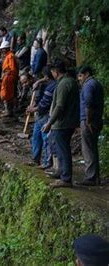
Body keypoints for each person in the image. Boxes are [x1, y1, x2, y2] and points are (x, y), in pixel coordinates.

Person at [42, 60, 80, 188]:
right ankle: (61, 172)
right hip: (68, 121)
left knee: (63, 150)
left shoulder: (64, 84)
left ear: (55, 72)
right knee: (60, 148)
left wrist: (49, 122)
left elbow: (59, 106)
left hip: (62, 122)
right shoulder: (71, 81)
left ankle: (66, 178)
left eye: (52, 71)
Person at [76, 66, 105, 186]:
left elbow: (88, 103)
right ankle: (95, 176)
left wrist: (88, 121)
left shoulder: (88, 85)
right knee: (93, 147)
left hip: (89, 120)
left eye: (81, 76)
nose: (79, 79)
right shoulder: (96, 83)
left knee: (87, 148)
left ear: (86, 74)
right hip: (97, 119)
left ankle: (91, 176)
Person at [26, 67, 56, 169]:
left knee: (45, 138)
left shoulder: (52, 86)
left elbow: (44, 103)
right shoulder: (43, 85)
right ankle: (36, 158)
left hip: (45, 114)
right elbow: (37, 99)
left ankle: (47, 161)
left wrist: (33, 109)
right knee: (36, 137)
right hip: (39, 115)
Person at [0, 40, 18, 117]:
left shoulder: (10, 56)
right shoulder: (8, 56)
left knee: (7, 94)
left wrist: (6, 75)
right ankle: (8, 110)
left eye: (3, 49)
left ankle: (9, 111)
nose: (2, 50)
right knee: (7, 94)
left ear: (6, 48)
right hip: (7, 77)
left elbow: (12, 69)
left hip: (9, 78)